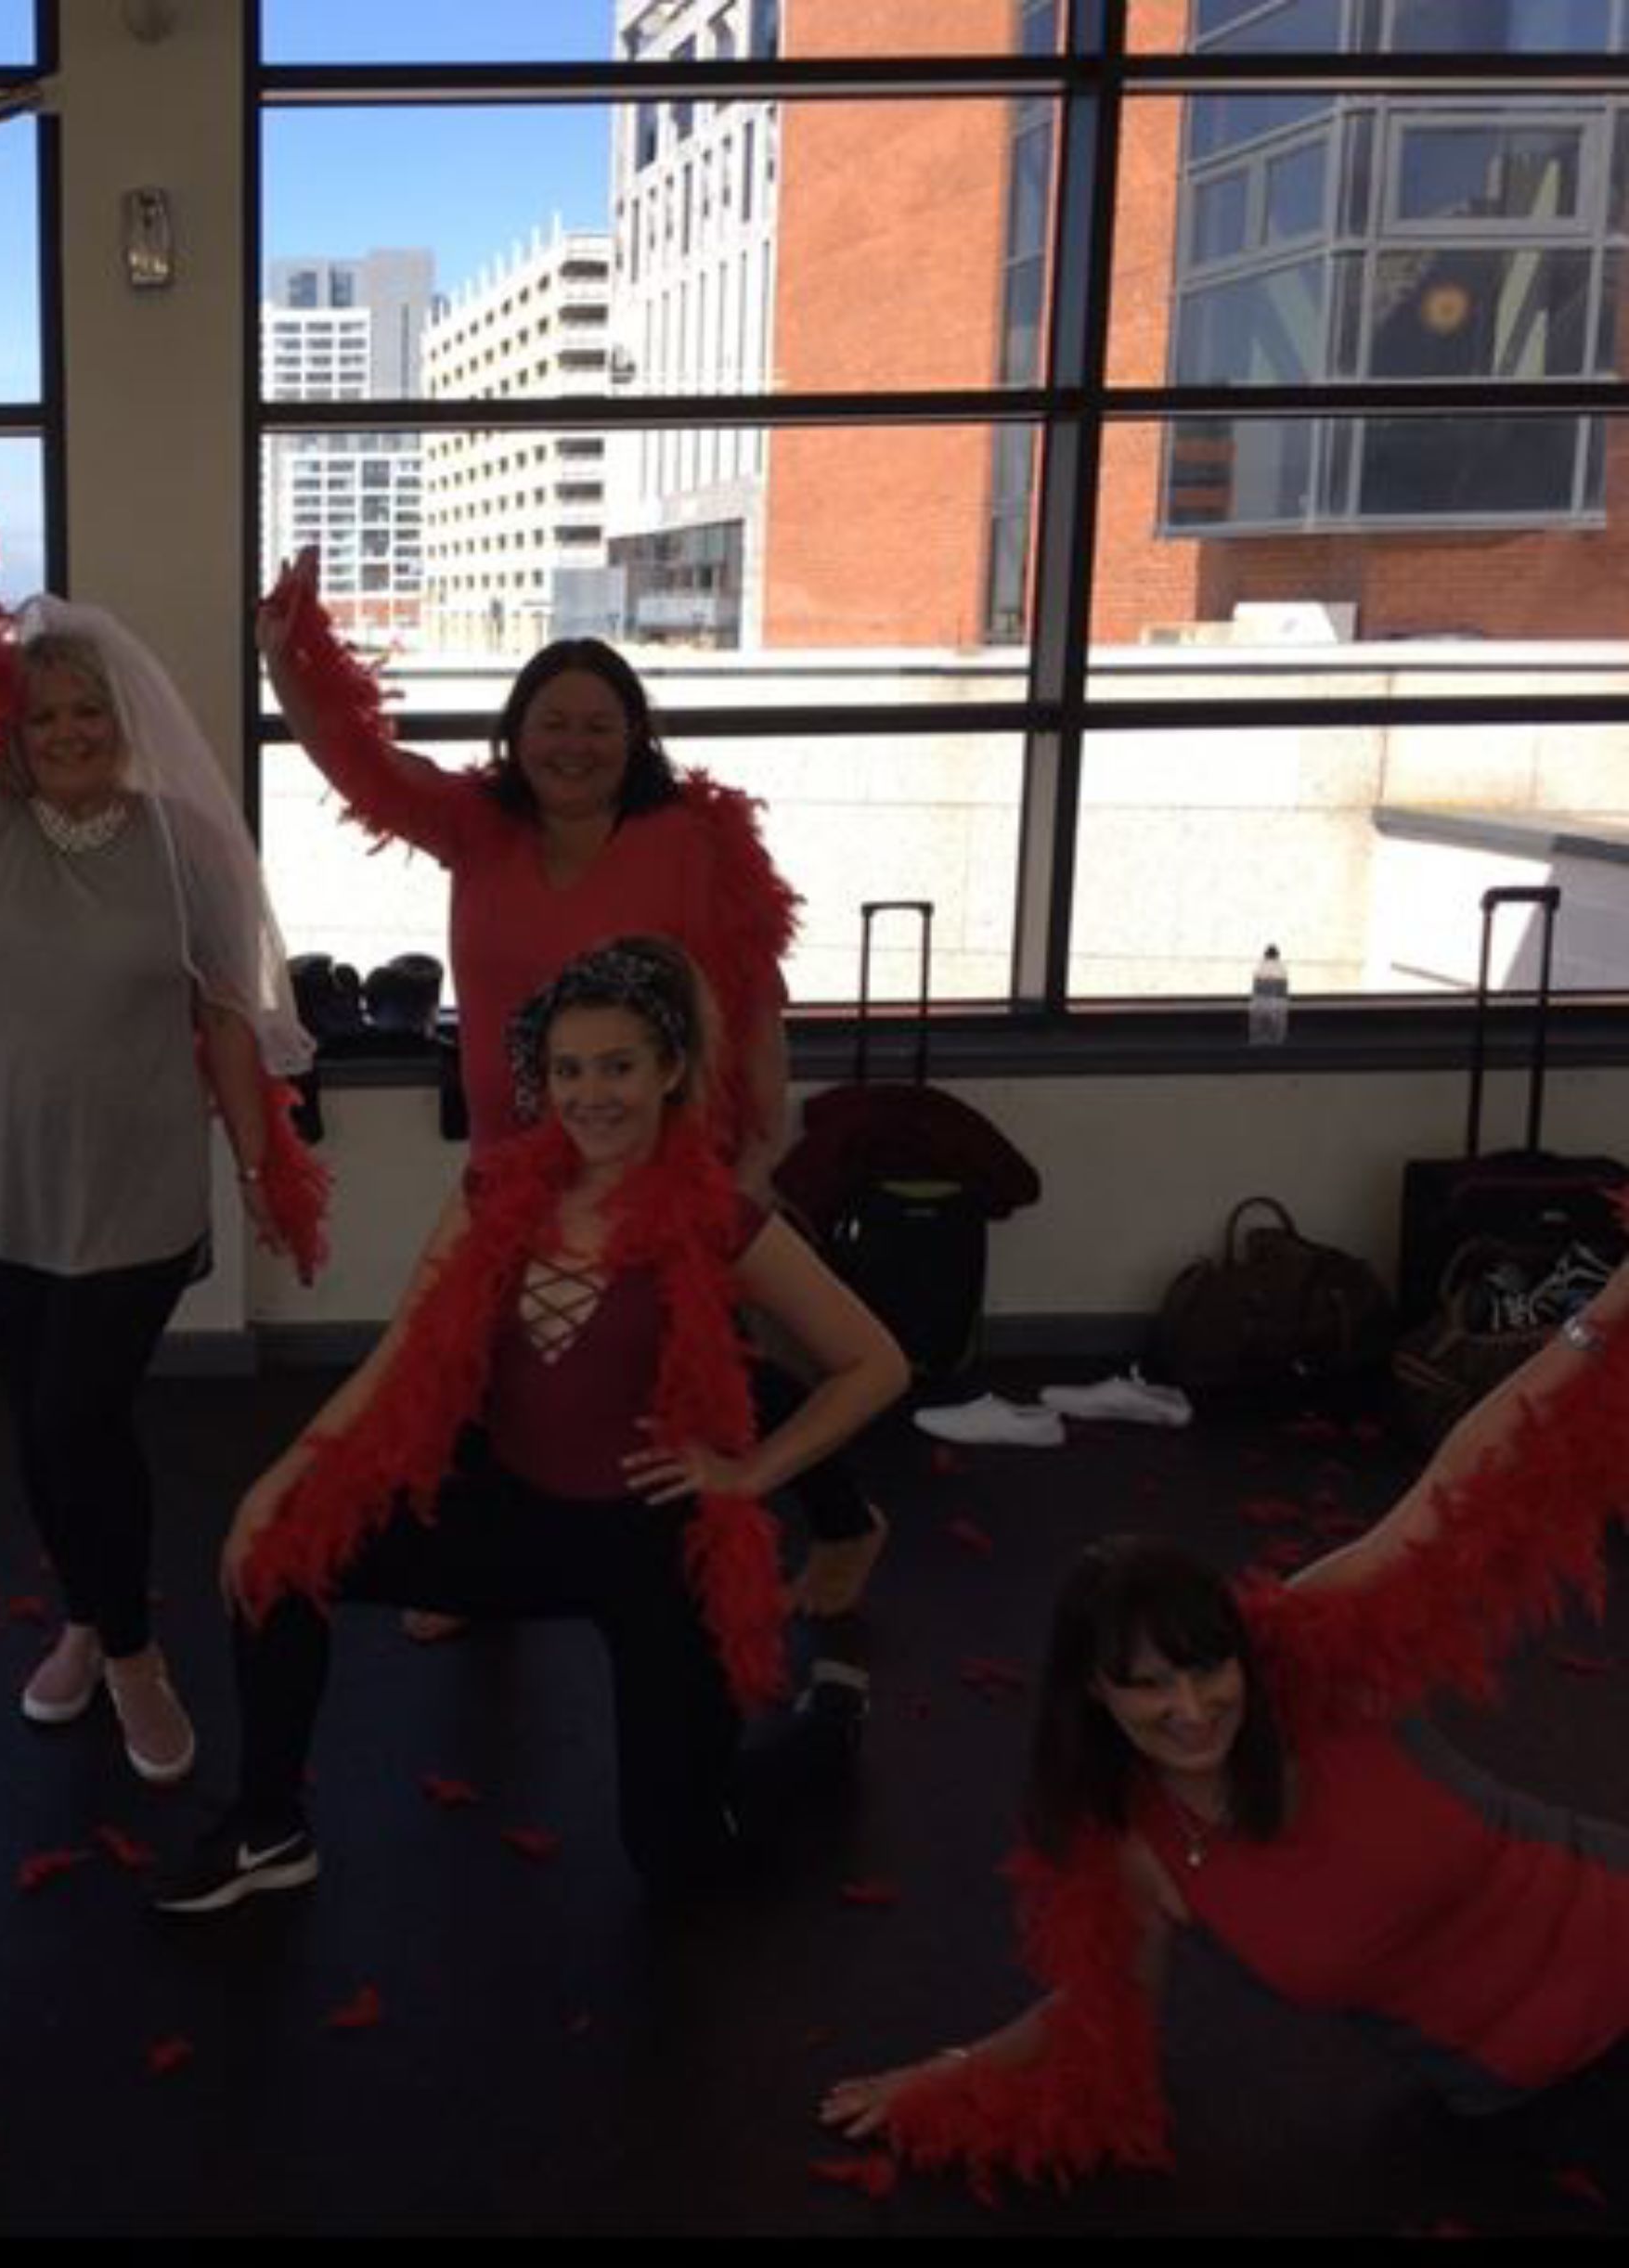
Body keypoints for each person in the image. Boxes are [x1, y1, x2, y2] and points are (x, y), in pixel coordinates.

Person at [818, 1254, 1629, 2202]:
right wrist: (948, 2072)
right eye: (1148, 1685)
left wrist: (1606, 1314)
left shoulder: (1313, 1664)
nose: (1192, 1708)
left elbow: (1462, 1482)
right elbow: (1093, 2011)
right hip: (1529, 2099)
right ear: (1095, 1693)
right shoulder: (1134, 1847)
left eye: (1207, 1668)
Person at [156, 936, 909, 1914]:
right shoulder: (493, 1192)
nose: (590, 1095)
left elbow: (874, 1363)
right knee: (273, 1556)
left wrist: (749, 1473)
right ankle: (269, 1827)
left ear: (669, 1069)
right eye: (567, 1070)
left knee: (682, 1855)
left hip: (647, 1541)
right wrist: (281, 1479)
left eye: (617, 1066)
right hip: (506, 1505)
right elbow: (403, 1352)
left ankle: (827, 1724)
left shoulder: (720, 1218)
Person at [257, 551, 889, 1658]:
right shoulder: (476, 824)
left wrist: (756, 1149)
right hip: (515, 1159)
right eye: (552, 723)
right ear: (514, 734)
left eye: (599, 725)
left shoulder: (691, 839)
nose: (573, 744)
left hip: (667, 1153)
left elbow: (751, 1003)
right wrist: (287, 660)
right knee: (473, 1342)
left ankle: (842, 1518)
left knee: (702, 1358)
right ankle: (473, 1562)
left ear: (635, 737)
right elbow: (359, 766)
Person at [0, 441, 317, 1786]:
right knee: (50, 1425)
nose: (66, 736)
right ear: (12, 727)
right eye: (43, 717)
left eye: (87, 715)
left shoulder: (184, 845)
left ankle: (132, 1655)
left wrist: (262, 1169)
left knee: (73, 1424)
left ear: (123, 721)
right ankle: (96, 1622)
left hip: (132, 1198)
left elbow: (224, 1020)